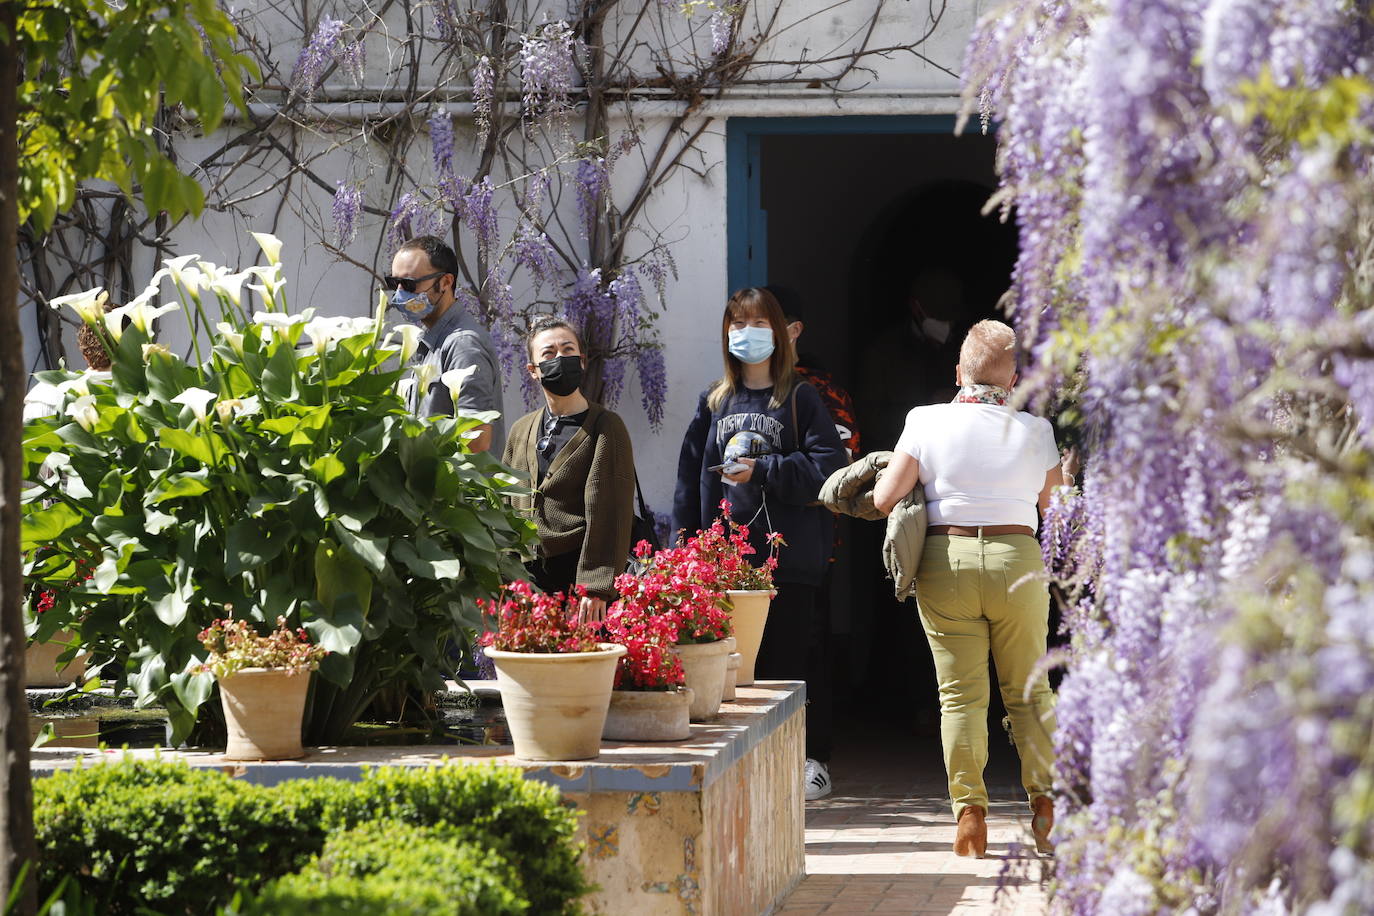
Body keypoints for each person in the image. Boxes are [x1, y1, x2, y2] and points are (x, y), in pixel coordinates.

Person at [872, 319, 1061, 858]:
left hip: (946, 561)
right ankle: (1045, 807)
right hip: (1018, 562)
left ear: (959, 372)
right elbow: (1057, 510)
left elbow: (886, 498)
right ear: (1016, 379)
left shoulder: (925, 421)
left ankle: (971, 818)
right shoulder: (1036, 431)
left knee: (960, 697)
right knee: (1029, 692)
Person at [672, 287, 847, 800]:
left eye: (758, 324)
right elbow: (691, 480)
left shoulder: (800, 397)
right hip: (728, 566)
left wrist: (763, 470)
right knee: (733, 674)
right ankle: (743, 771)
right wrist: (690, 549)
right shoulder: (716, 400)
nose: (746, 334)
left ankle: (799, 763)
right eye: (737, 323)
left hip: (787, 560)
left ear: (780, 332)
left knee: (789, 667)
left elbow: (827, 470)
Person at [503, 316, 635, 622]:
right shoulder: (521, 430)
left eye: (568, 350)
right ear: (532, 371)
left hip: (577, 575)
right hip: (526, 579)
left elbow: (609, 509)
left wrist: (596, 586)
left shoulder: (605, 426)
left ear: (582, 361)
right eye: (548, 354)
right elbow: (506, 505)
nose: (560, 359)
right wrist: (505, 574)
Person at [388, 235, 504, 453]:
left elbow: (476, 439)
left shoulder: (462, 344)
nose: (399, 293)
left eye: (410, 284)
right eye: (394, 283)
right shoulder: (433, 341)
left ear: (445, 282)